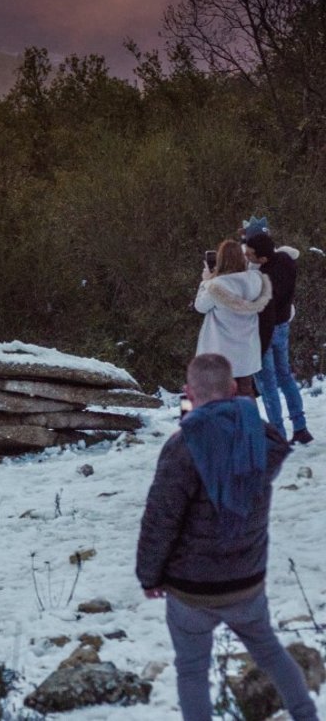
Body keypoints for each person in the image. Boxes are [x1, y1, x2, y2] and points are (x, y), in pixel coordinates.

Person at [136, 352, 318, 721]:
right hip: (246, 581)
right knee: (270, 653)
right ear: (234, 388)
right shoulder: (260, 437)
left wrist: (149, 576)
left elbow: (161, 520)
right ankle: (306, 715)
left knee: (191, 672)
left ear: (188, 391)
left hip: (191, 589)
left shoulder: (182, 446)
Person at [243, 224, 312, 445]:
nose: (247, 257)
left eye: (250, 254)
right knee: (285, 377)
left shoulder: (262, 277)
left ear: (261, 258)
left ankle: (278, 435)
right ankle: (300, 426)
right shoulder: (286, 261)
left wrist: (259, 347)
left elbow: (265, 312)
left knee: (268, 385)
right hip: (283, 325)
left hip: (266, 330)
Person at [194, 240, 269, 398]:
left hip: (223, 353)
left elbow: (200, 306)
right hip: (247, 351)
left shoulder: (216, 285)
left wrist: (205, 281)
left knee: (223, 397)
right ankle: (250, 422)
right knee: (246, 393)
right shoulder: (256, 280)